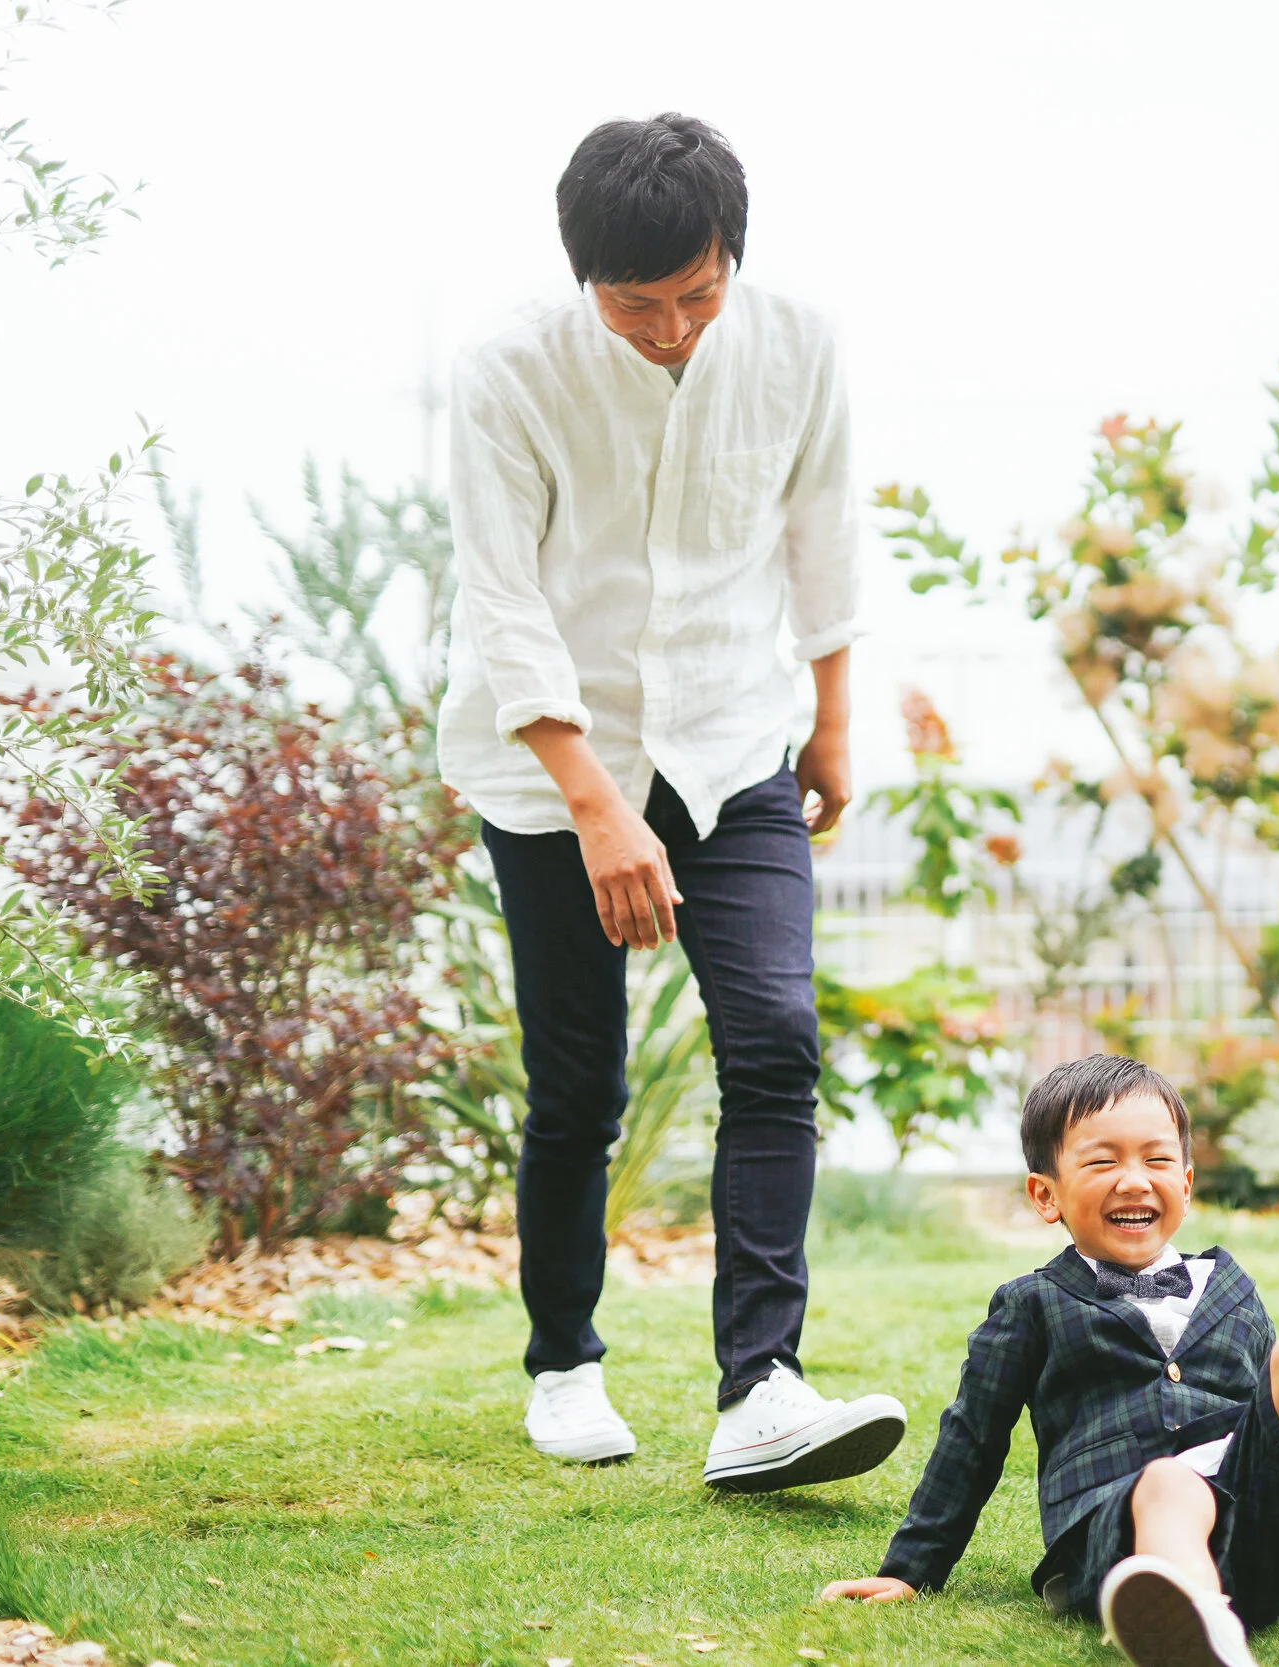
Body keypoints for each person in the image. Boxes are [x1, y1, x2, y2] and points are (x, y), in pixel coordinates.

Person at [439, 113, 904, 1487]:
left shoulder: (797, 341)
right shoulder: (510, 370)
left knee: (773, 1039)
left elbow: (822, 528)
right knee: (578, 1078)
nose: (668, 328)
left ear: (731, 262)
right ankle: (566, 1363)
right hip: (554, 766)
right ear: (584, 277)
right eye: (634, 304)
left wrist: (830, 719)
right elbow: (501, 597)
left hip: (733, 739)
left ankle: (762, 1384)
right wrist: (594, 805)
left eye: (696, 295)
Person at [818, 1055, 1279, 1667]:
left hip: (1254, 1541)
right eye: (1102, 1162)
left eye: (1157, 1159)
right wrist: (910, 1567)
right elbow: (972, 1436)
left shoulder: (1231, 1286)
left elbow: (1274, 1423)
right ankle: (1190, 1624)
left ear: (1186, 1184)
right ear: (1046, 1195)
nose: (1134, 1179)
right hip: (1119, 1541)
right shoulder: (1032, 1304)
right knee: (1169, 1482)